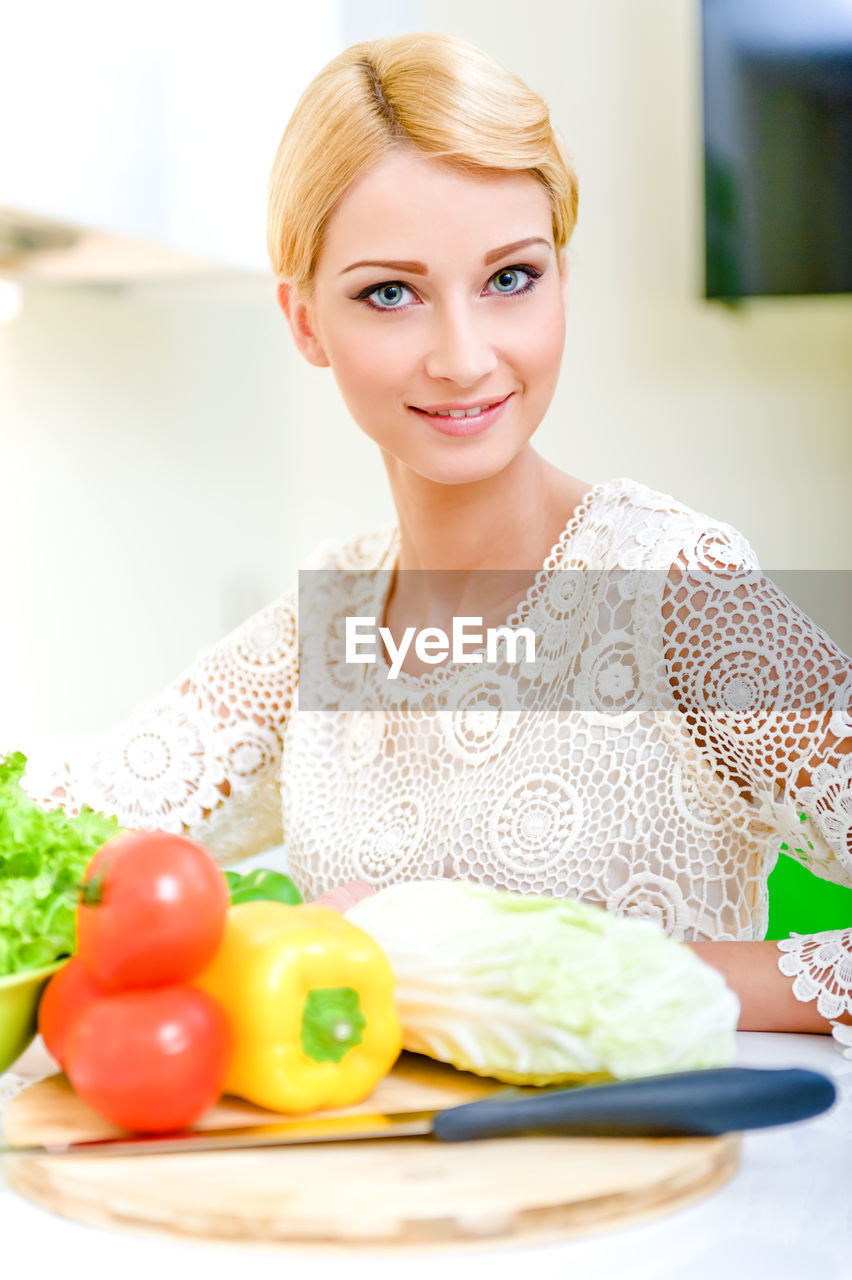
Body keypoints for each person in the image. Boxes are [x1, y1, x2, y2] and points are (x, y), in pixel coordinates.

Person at [19, 32, 852, 1045]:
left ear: (562, 279)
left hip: (666, 1184)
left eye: (510, 278)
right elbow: (61, 838)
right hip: (389, 1184)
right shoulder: (319, 631)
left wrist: (588, 962)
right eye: (389, 293)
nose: (464, 357)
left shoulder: (673, 591)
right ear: (304, 320)